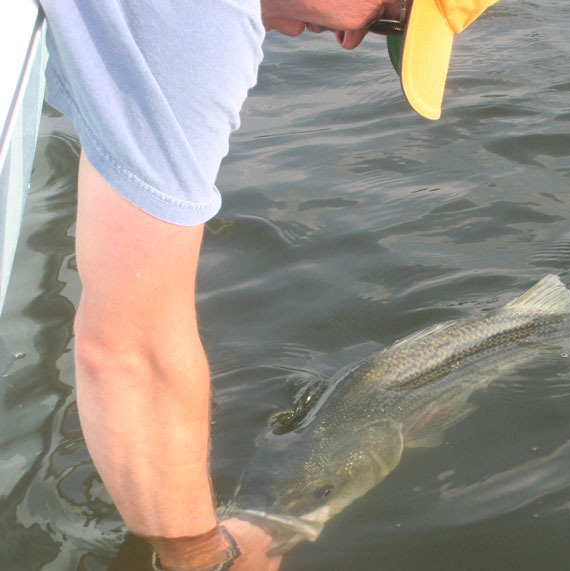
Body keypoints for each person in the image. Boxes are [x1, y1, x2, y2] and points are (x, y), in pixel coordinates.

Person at [36, 0, 497, 568]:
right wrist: (209, 557)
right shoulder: (202, 22)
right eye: (385, 17)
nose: (350, 41)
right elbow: (130, 354)